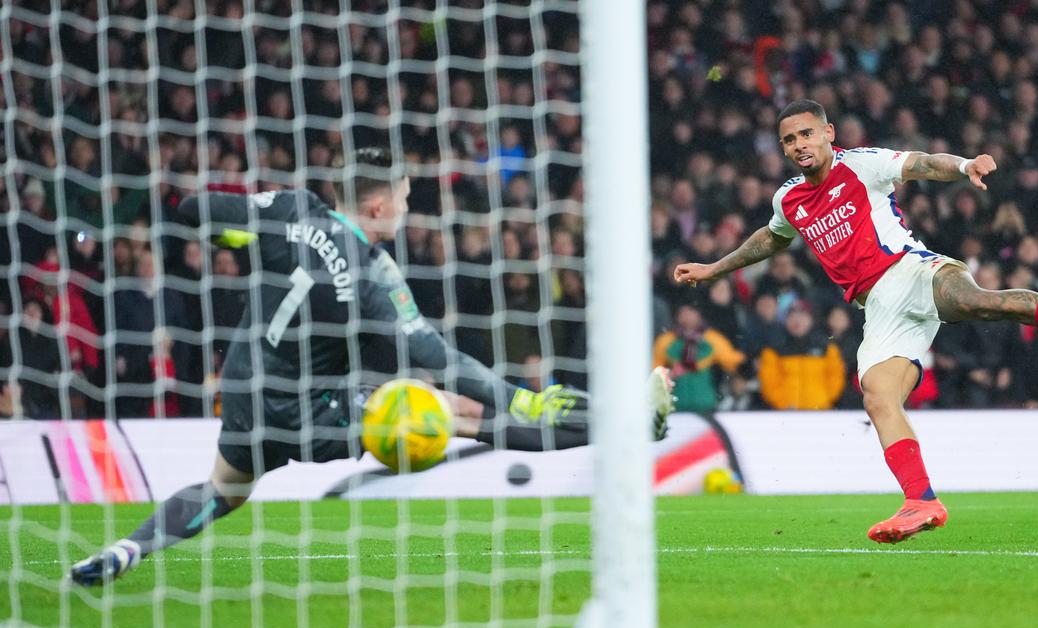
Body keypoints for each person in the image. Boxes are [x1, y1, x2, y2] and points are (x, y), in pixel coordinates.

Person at [72, 147, 674, 585]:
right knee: (462, 413)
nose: (409, 211)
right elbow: (435, 356)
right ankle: (625, 421)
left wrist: (240, 238)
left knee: (223, 490)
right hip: (315, 410)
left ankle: (129, 548)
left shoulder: (291, 208)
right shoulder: (370, 272)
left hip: (247, 396)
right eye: (407, 200)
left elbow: (195, 210)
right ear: (381, 204)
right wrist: (516, 396)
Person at [674, 101, 1038, 544]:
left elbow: (921, 163)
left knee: (981, 302)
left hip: (910, 270)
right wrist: (713, 269)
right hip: (876, 308)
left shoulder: (860, 164)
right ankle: (921, 501)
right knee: (878, 396)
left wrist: (963, 167)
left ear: (828, 134)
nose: (799, 144)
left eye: (807, 134)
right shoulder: (789, 200)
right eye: (788, 139)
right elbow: (771, 240)